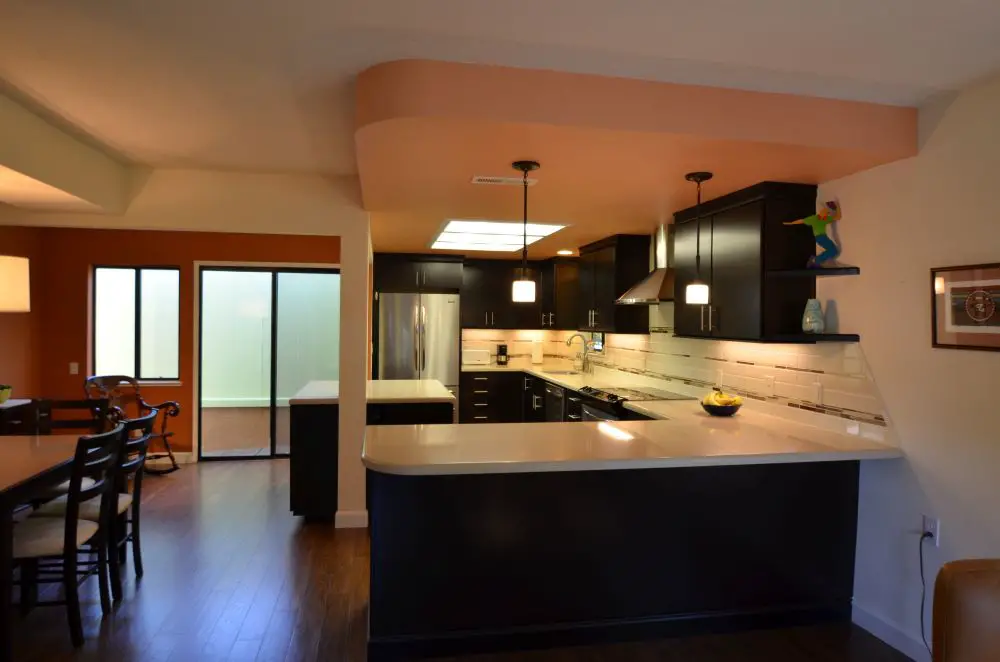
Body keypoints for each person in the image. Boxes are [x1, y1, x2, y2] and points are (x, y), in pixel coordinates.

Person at [784, 200, 841, 267]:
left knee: (834, 251)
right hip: (820, 237)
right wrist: (791, 223)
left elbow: (838, 217)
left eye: (826, 213)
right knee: (833, 251)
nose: (826, 213)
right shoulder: (814, 218)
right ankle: (816, 260)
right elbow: (802, 221)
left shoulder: (826, 219)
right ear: (820, 212)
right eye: (824, 212)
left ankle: (817, 260)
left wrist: (837, 207)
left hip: (824, 237)